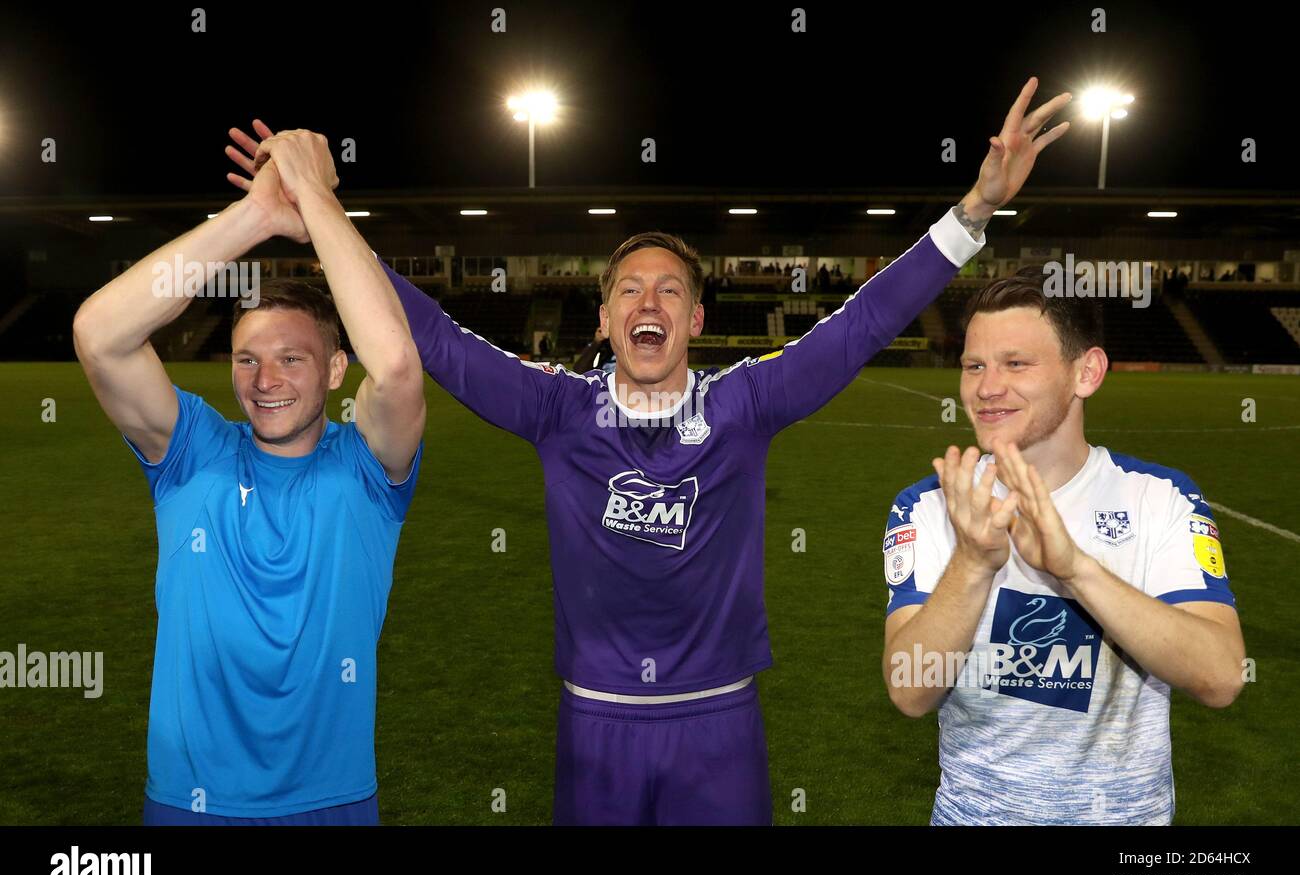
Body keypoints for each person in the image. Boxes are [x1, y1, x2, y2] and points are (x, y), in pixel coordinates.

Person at [227, 77, 1070, 826]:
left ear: (695, 321)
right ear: (604, 321)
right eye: (628, 288)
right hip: (595, 723)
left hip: (721, 725)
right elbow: (438, 341)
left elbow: (860, 328)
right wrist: (325, 224)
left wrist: (975, 211)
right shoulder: (558, 408)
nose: (649, 299)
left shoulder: (744, 405)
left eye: (670, 288)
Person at [75, 130, 425, 825]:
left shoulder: (368, 467)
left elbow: (396, 368)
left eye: (292, 360)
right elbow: (99, 334)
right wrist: (258, 214)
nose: (265, 381)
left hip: (333, 802)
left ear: (332, 370)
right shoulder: (193, 452)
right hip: (191, 802)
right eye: (246, 360)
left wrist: (319, 201)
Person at [881, 265, 1246, 825]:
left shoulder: (1160, 497)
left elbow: (1221, 677)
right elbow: (909, 691)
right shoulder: (930, 505)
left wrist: (1077, 571)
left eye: (1016, 364)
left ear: (1087, 372)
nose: (986, 387)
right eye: (974, 365)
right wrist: (974, 563)